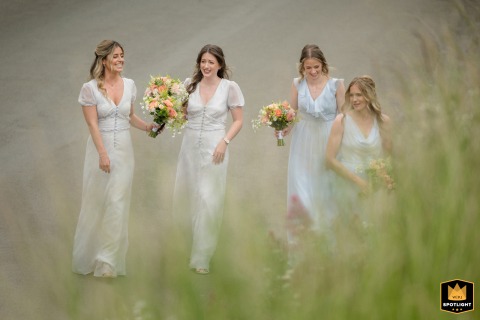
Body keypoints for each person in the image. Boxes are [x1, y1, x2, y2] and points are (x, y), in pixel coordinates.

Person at [72, 40, 158, 278]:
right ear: (103, 60)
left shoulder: (129, 85)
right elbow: (92, 124)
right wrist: (102, 154)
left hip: (125, 152)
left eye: (122, 56)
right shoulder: (89, 89)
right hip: (100, 150)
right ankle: (88, 256)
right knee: (96, 202)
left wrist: (148, 126)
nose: (121, 60)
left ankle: (107, 262)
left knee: (118, 203)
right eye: (116, 56)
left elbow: (130, 117)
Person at [173, 44, 244, 275]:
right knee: (188, 195)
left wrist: (225, 141)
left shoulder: (229, 88)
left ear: (219, 64)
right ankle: (185, 247)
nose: (206, 66)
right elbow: (181, 115)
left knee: (209, 198)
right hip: (190, 146)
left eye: (211, 62)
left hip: (216, 147)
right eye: (203, 61)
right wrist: (166, 108)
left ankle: (202, 256)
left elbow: (238, 121)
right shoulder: (189, 85)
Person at [279, 44, 345, 234]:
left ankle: (326, 245)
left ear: (323, 64)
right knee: (301, 192)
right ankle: (301, 246)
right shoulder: (297, 84)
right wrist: (282, 130)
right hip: (302, 143)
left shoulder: (336, 85)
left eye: (316, 66)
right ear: (302, 67)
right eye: (308, 68)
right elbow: (292, 115)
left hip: (328, 142)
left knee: (326, 193)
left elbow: (345, 116)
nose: (313, 71)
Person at [325, 75, 392, 223]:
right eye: (352, 95)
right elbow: (329, 160)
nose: (354, 100)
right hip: (348, 184)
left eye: (359, 95)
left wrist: (384, 175)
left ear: (370, 96)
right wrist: (358, 182)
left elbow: (389, 156)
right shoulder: (341, 121)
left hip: (374, 185)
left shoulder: (383, 121)